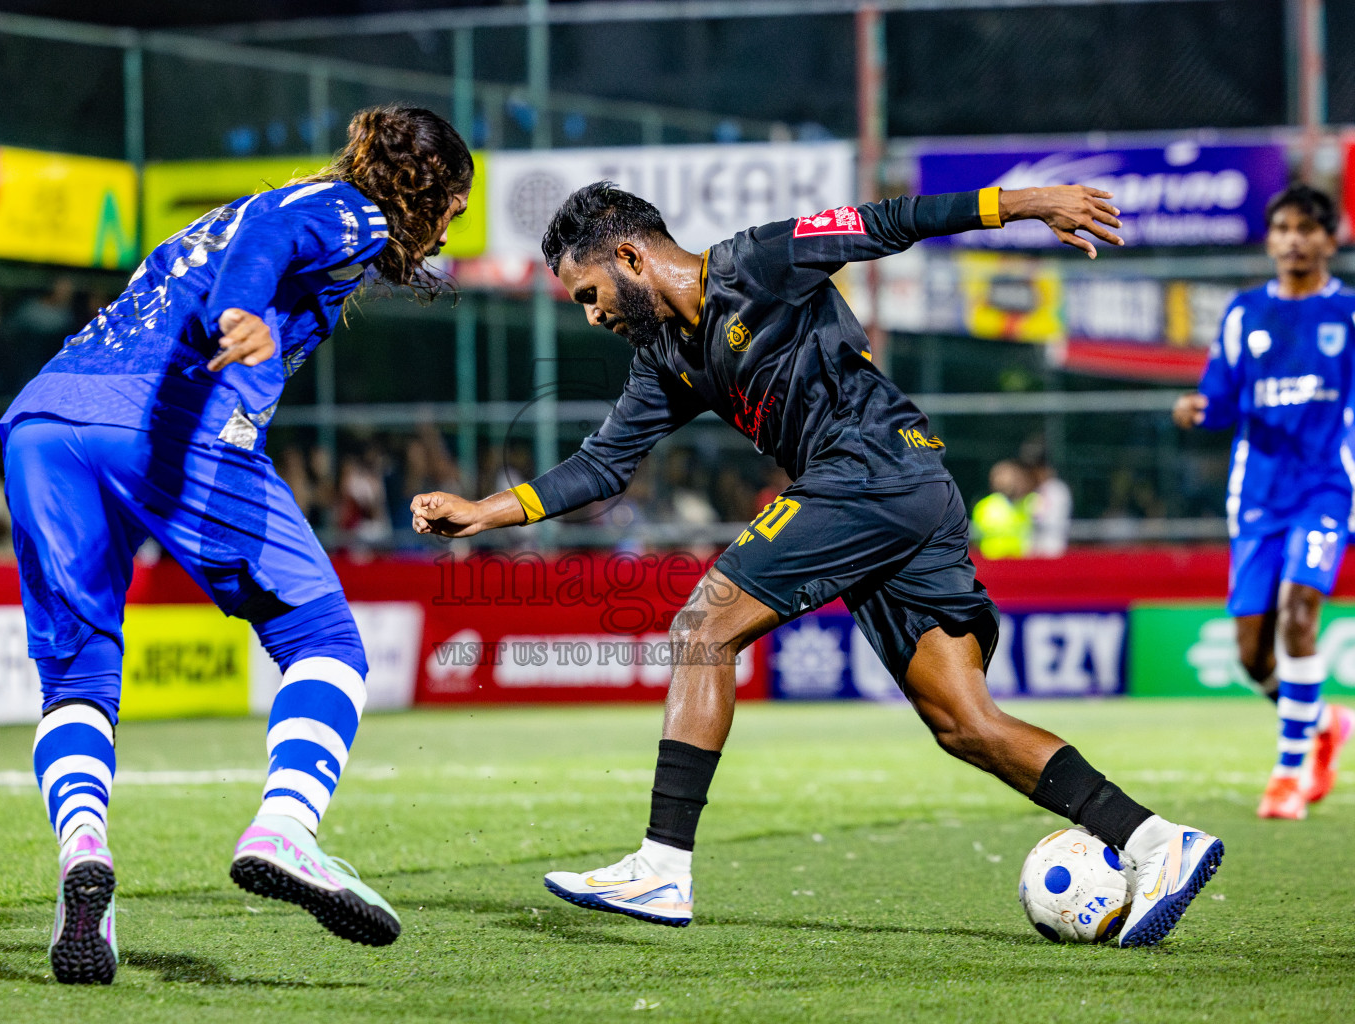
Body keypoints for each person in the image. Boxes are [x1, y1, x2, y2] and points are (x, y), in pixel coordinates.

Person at [412, 180, 1222, 947]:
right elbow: (602, 464)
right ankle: (1156, 842)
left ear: (629, 257)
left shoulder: (756, 261)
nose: (590, 317)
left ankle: (662, 866)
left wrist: (1026, 204)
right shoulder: (666, 356)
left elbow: (888, 220)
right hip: (896, 493)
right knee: (964, 723)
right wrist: (486, 511)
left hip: (872, 467)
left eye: (588, 294)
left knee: (703, 626)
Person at [0, 105, 472, 984]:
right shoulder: (348, 209)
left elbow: (250, 234)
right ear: (425, 188)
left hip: (44, 420)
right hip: (163, 421)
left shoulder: (234, 214)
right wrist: (243, 312)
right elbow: (270, 237)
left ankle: (83, 860)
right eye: (454, 205)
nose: (452, 225)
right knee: (325, 643)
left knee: (76, 677)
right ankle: (286, 827)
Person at [1173, 183, 1355, 821]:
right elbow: (1219, 395)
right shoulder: (1244, 312)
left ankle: (1288, 773)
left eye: (1308, 228)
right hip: (1256, 495)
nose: (1294, 240)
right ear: (1270, 239)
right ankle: (1325, 721)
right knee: (1253, 655)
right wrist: (1196, 408)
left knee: (1299, 615)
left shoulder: (1347, 314)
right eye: (1283, 228)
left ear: (1331, 239)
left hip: (1328, 487)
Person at [971, 459, 1033, 559]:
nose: (1006, 481)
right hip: (993, 563)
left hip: (1021, 563)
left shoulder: (1029, 503)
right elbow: (975, 540)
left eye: (1011, 477)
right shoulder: (984, 506)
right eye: (1001, 476)